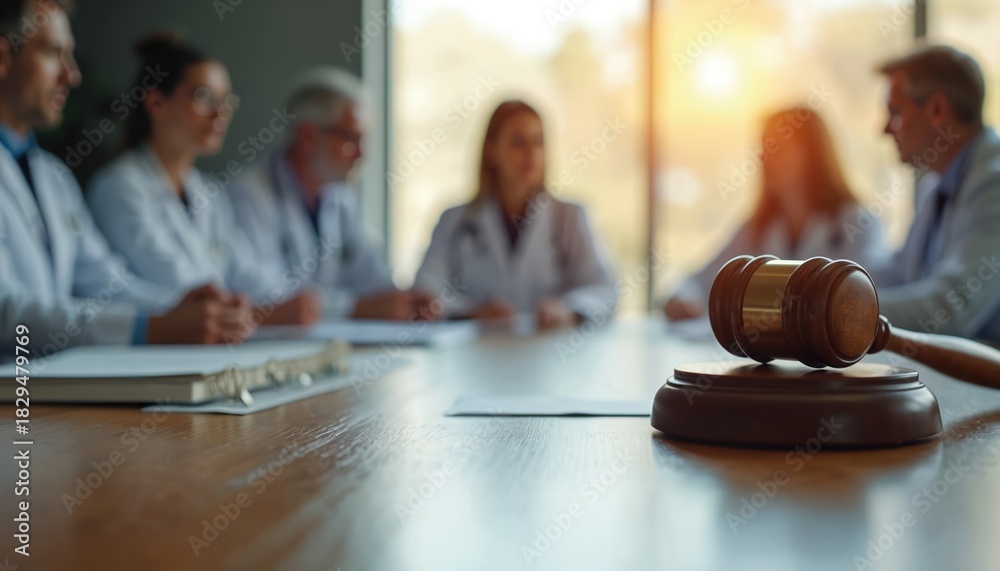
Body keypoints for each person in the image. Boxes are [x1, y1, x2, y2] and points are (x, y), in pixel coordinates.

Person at [0, 0, 253, 356]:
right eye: (53, 54)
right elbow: (6, 310)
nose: (71, 76)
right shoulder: (117, 185)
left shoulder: (53, 177)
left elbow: (103, 280)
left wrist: (177, 308)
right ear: (3, 57)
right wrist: (151, 327)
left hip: (40, 387)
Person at [86, 33, 319, 326]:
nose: (220, 114)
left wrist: (291, 300)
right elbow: (178, 286)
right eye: (203, 97)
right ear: (157, 103)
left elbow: (242, 270)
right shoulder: (119, 187)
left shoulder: (207, 192)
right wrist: (263, 314)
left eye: (226, 101)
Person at [228, 67, 435, 321]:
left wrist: (407, 300)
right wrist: (354, 307)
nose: (362, 155)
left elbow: (371, 272)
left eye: (365, 140)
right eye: (351, 139)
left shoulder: (342, 198)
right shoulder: (248, 195)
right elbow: (262, 292)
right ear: (307, 137)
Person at [664, 106, 886, 322]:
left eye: (776, 147)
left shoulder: (856, 222)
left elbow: (869, 294)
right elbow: (699, 281)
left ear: (810, 154)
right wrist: (685, 300)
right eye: (762, 148)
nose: (763, 158)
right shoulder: (758, 227)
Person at [414, 100, 618, 330]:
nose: (531, 152)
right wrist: (471, 311)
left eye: (539, 141)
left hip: (551, 352)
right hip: (478, 352)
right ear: (491, 150)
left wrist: (568, 309)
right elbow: (425, 289)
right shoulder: (456, 220)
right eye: (518, 142)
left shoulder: (569, 216)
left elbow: (604, 289)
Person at [869, 45, 1000, 340]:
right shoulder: (936, 186)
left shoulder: (994, 184)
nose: (885, 129)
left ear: (937, 109)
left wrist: (843, 308)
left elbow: (953, 307)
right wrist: (827, 283)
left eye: (895, 111)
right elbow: (896, 275)